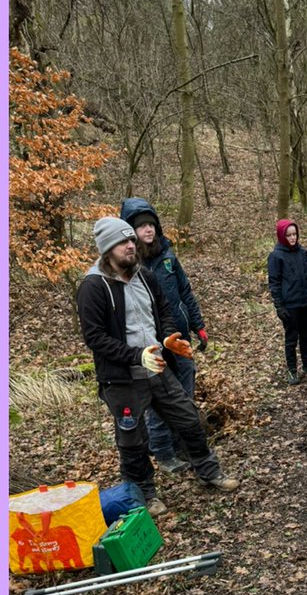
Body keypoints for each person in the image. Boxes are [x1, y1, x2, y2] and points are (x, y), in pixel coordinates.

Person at [77, 218, 237, 518]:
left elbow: (163, 310)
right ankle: (144, 494)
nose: (130, 246)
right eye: (122, 242)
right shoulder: (93, 286)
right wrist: (137, 355)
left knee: (189, 418)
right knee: (132, 440)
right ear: (107, 249)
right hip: (122, 380)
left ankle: (209, 472)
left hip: (158, 369)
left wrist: (167, 338)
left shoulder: (145, 276)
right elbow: (95, 337)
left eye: (131, 241)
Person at [118, 198, 208, 474]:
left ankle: (183, 445)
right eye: (141, 226)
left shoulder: (168, 257)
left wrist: (198, 326)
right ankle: (163, 452)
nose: (148, 230)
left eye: (151, 224)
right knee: (159, 398)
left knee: (184, 394)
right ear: (130, 231)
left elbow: (185, 292)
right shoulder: (128, 264)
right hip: (150, 344)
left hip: (179, 338)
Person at [268, 219, 307, 385]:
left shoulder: (303, 253)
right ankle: (292, 369)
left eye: (294, 234)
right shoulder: (276, 256)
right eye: (289, 235)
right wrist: (279, 306)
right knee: (291, 338)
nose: (293, 238)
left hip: (305, 302)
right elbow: (274, 283)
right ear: (282, 236)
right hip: (290, 305)